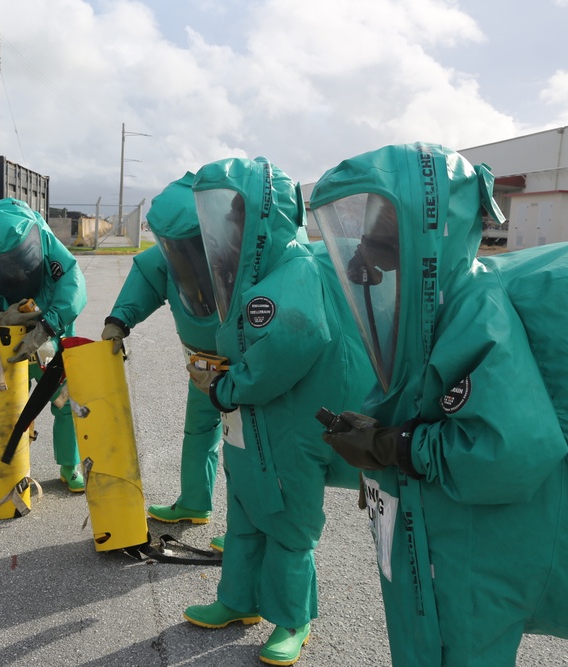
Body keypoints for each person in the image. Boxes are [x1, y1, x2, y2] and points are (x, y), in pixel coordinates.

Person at [311, 141, 568, 666]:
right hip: (442, 532)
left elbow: (514, 450)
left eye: (384, 230)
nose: (370, 250)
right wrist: (386, 438)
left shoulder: (471, 309)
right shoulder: (438, 302)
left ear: (424, 230)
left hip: (471, 548)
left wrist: (398, 446)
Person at [181, 157, 373, 666]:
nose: (227, 224)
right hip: (253, 423)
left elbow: (294, 341)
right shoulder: (259, 272)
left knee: (289, 524)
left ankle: (293, 620)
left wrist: (228, 387)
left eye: (238, 213)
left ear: (268, 218)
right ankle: (237, 601)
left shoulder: (295, 270)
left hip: (288, 427)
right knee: (245, 513)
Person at [101, 172, 223, 527]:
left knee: (252, 447)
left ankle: (253, 533)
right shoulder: (171, 255)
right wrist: (119, 320)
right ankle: (195, 502)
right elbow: (148, 276)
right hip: (203, 363)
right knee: (200, 432)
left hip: (249, 366)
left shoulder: (246, 252)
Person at [0, 197, 87, 491]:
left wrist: (47, 326)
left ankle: (69, 465)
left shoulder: (47, 243)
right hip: (7, 346)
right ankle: (12, 468)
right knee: (7, 407)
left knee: (66, 402)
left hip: (54, 339)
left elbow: (73, 283)